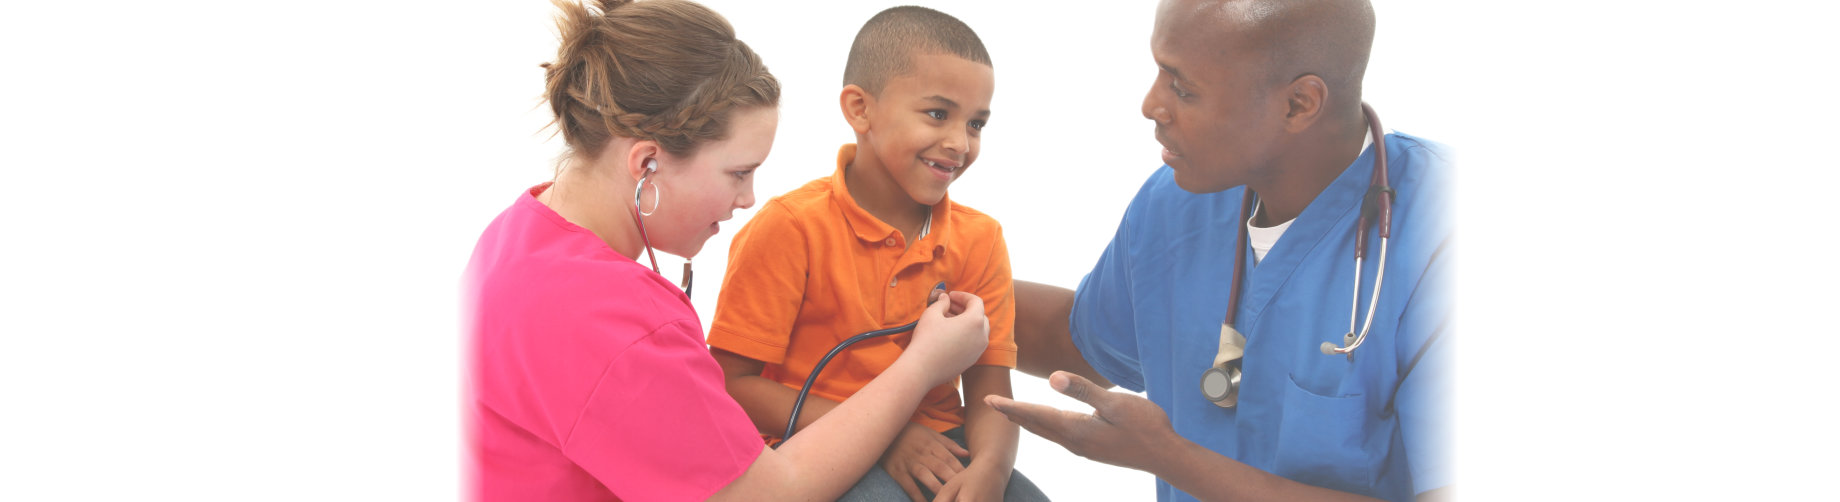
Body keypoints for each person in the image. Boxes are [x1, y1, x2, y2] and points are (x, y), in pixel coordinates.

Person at [464, 1, 990, 500]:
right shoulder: (620, 326)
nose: (748, 199)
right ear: (647, 161)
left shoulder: (515, 235)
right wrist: (922, 364)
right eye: (739, 173)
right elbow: (774, 492)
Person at [982, 0, 1453, 501]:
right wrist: (922, 277)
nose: (1151, 105)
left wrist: (1169, 458)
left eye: (1183, 89)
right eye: (1160, 74)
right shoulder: (1176, 201)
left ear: (1298, 104)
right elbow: (1081, 339)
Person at [705, 6, 1045, 502]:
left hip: (941, 446)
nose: (958, 143)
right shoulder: (790, 226)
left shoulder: (982, 238)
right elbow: (732, 386)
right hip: (812, 443)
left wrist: (990, 474)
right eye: (937, 114)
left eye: (976, 124)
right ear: (860, 110)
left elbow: (992, 394)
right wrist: (889, 435)